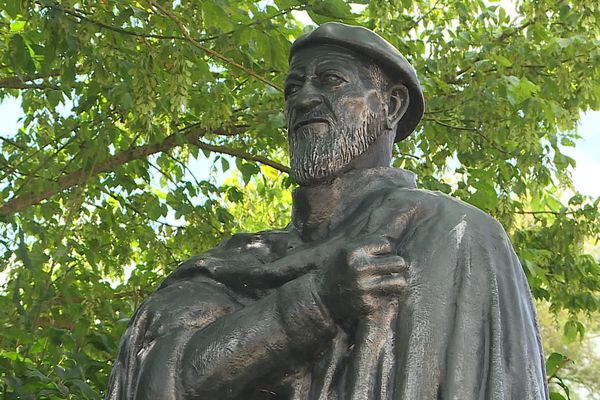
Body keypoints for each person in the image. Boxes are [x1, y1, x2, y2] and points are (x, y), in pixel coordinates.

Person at [106, 23, 548, 399]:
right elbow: (160, 376)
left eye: (331, 81)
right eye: (293, 88)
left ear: (390, 106)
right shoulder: (238, 261)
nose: (303, 99)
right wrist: (315, 301)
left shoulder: (447, 232)